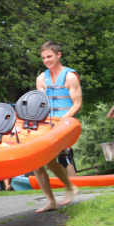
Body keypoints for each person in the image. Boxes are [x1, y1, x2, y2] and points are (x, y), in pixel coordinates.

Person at [33, 41, 82, 213]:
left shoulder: (70, 76)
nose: (46, 60)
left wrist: (63, 122)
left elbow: (77, 104)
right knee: (37, 164)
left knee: (46, 160)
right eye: (44, 58)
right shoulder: (41, 79)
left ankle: (70, 187)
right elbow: (39, 105)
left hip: (64, 125)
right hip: (47, 126)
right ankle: (52, 201)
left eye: (49, 56)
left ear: (58, 55)